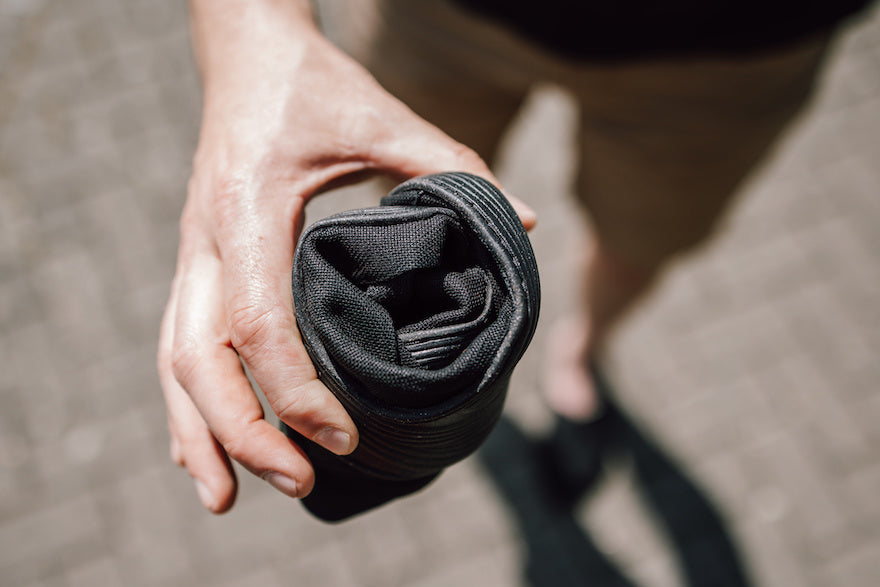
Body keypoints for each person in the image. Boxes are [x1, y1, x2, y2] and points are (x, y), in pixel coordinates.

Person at [157, 0, 874, 513]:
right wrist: (250, 31)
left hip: (738, 40)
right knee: (419, 198)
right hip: (439, 14)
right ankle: (487, 394)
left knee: (637, 245)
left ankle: (581, 357)